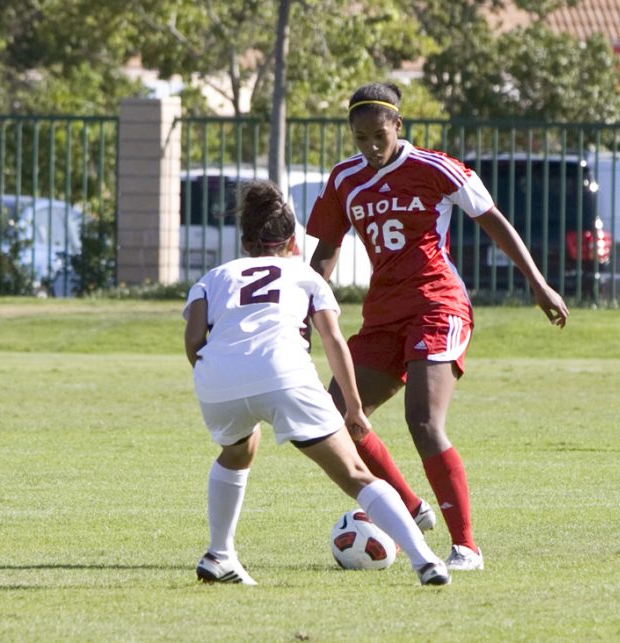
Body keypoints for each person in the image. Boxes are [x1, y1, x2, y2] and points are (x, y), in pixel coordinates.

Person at [307, 82, 569, 571]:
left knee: (423, 421)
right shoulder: (344, 179)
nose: (369, 145)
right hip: (383, 312)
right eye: (359, 136)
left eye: (378, 134)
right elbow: (323, 253)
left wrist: (537, 282)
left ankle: (466, 547)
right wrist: (304, 314)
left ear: (398, 126)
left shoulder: (434, 167)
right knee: (337, 415)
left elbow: (492, 219)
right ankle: (408, 507)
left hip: (437, 303)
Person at [183, 179, 451, 586]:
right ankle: (426, 561)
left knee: (237, 451)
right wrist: (355, 409)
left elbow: (194, 340)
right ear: (293, 241)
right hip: (283, 372)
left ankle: (220, 555)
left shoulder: (213, 277)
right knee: (357, 474)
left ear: (244, 241)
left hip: (216, 378)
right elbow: (333, 342)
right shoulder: (306, 277)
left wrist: (215, 378)